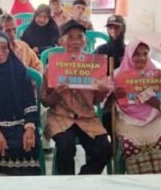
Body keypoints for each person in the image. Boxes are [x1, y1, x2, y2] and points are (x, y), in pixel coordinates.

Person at [42, 20, 113, 175]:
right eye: (70, 37)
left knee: (104, 149)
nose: (76, 42)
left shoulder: (94, 66)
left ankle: (82, 180)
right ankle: (67, 184)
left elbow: (97, 101)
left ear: (85, 41)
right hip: (60, 117)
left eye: (79, 37)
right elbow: (45, 102)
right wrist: (57, 94)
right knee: (65, 147)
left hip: (87, 117)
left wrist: (101, 91)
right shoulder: (53, 66)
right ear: (62, 41)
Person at [0, 31, 42, 176]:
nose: (0, 52)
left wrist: (30, 128)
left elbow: (29, 101)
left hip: (19, 122)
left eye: (4, 48)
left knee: (31, 141)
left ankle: (24, 184)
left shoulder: (19, 71)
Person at [113, 40, 161, 174]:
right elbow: (107, 104)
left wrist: (157, 103)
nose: (141, 58)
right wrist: (114, 96)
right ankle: (138, 183)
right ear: (129, 55)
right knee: (129, 147)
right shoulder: (117, 75)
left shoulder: (158, 74)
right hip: (128, 119)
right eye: (136, 54)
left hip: (155, 118)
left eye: (145, 54)